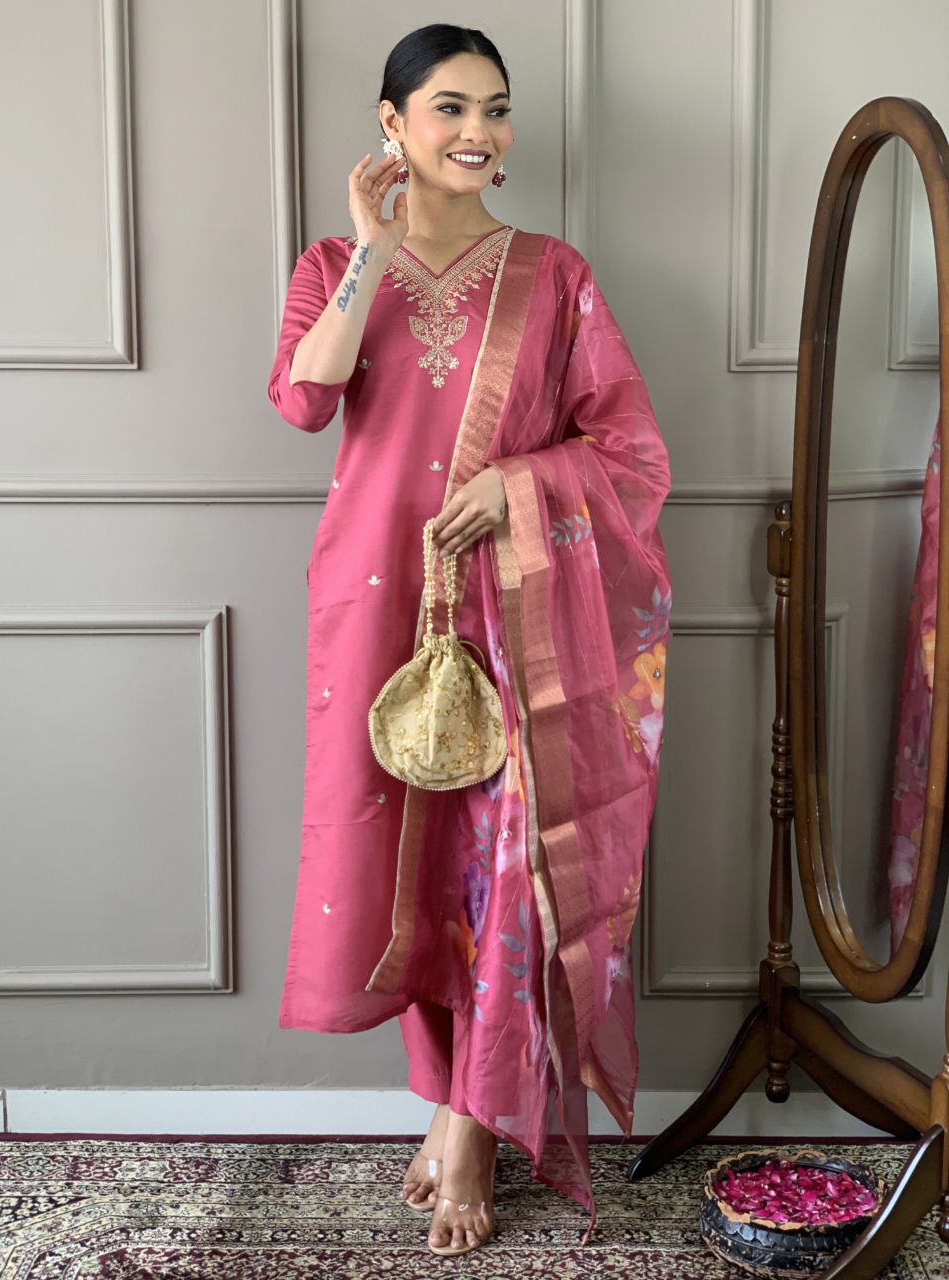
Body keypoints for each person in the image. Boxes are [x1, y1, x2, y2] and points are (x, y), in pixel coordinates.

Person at [267, 22, 672, 1257]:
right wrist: (369, 250)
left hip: (518, 603)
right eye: (449, 108)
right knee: (404, 846)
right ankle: (448, 1097)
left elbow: (630, 451)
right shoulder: (333, 261)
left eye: (496, 109)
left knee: (502, 855)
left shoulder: (553, 274)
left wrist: (517, 486)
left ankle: (472, 1122)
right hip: (376, 596)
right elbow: (304, 398)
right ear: (392, 123)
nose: (479, 132)